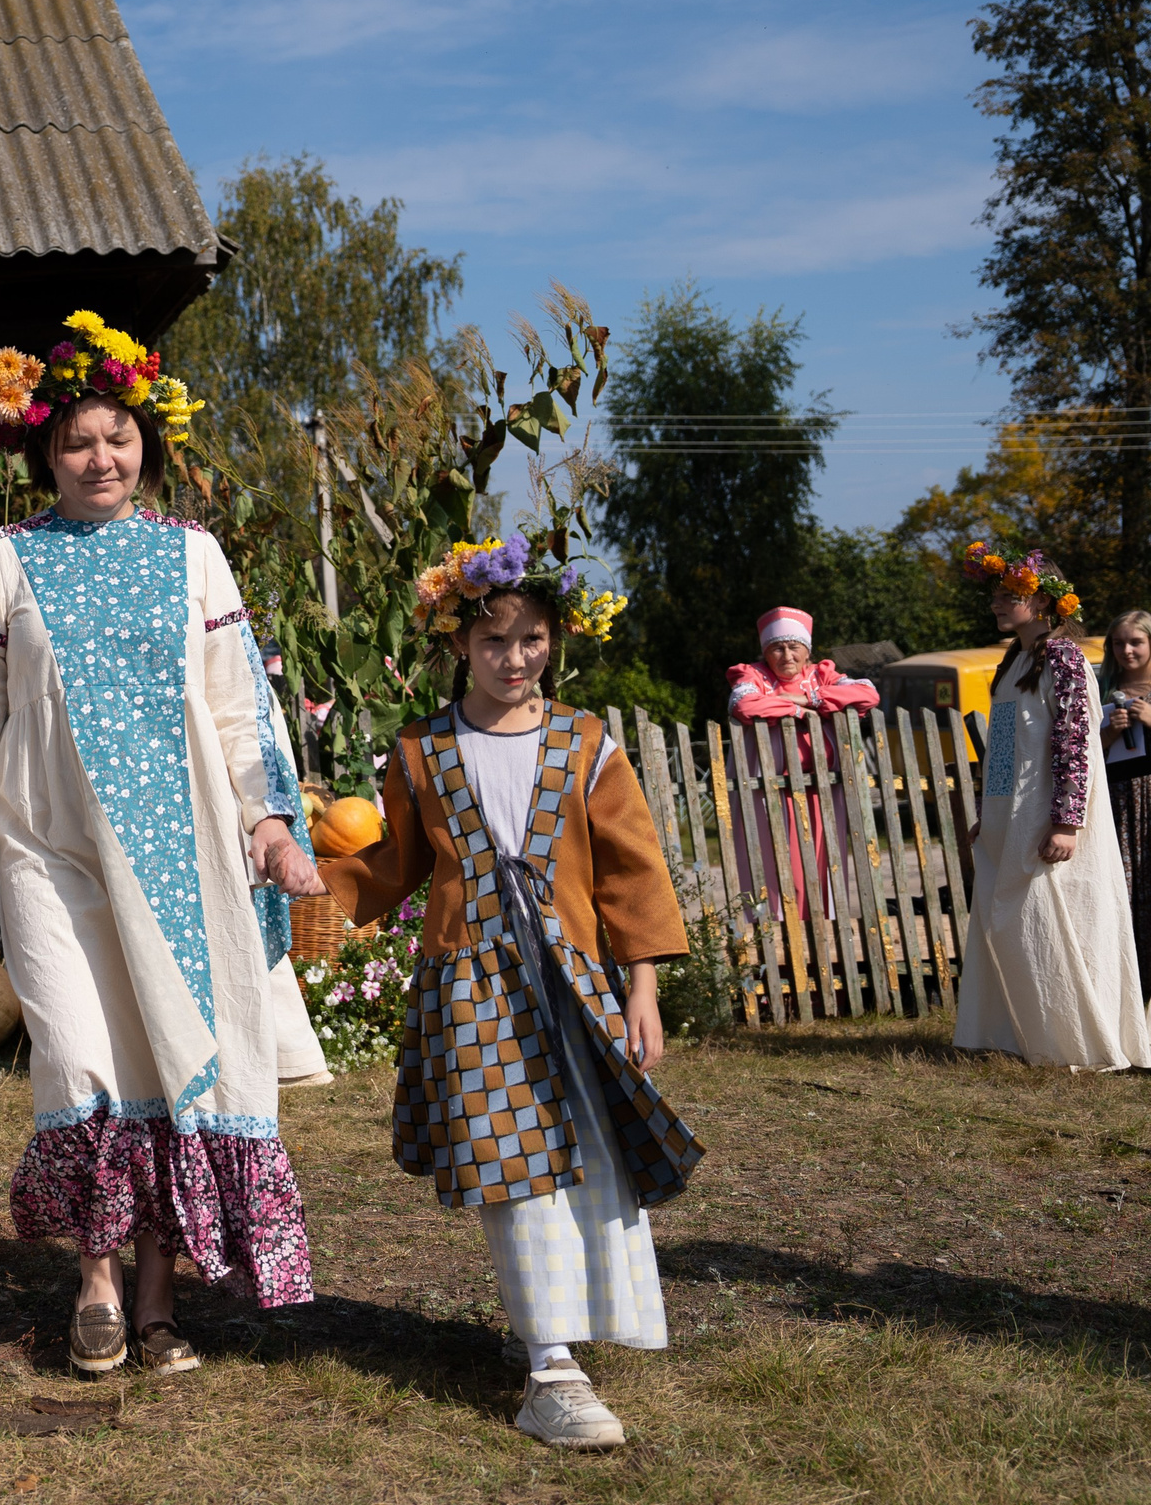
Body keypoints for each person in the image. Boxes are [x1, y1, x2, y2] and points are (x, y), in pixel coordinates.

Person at [0, 314, 319, 1379]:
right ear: (45, 453)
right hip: (49, 852)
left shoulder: (193, 555)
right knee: (78, 1058)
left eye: (118, 436)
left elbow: (239, 703)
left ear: (144, 445)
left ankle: (154, 1302)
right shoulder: (3, 560)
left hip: (182, 856)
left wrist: (268, 822)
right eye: (77, 440)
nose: (100, 457)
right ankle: (96, 1279)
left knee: (169, 1058)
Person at [320, 534, 702, 1453]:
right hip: (471, 988)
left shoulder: (586, 743)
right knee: (510, 1161)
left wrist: (643, 988)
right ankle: (549, 1370)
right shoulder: (421, 749)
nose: (514, 657)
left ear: (554, 639)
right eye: (493, 640)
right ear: (459, 644)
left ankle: (561, 1327)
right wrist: (306, 881)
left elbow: (631, 870)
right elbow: (393, 864)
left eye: (531, 638)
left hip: (574, 984)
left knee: (591, 1155)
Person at [952, 546, 1149, 1069]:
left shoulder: (1063, 658)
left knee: (1050, 917)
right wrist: (989, 811)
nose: (995, 603)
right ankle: (1017, 1035)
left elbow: (1074, 742)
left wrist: (1066, 820)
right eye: (995, 594)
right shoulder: (1014, 659)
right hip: (1009, 814)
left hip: (1045, 814)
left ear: (1041, 600)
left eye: (1007, 594)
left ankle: (1070, 1041)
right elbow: (1003, 745)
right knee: (1010, 923)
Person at [724, 607, 879, 922]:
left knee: (823, 861)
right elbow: (743, 704)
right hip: (769, 791)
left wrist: (809, 700)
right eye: (777, 648)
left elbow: (868, 694)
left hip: (822, 788)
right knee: (776, 861)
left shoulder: (822, 675)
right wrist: (796, 712)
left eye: (794, 647)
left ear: (807, 651)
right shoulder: (753, 675)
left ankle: (820, 927)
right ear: (765, 653)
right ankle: (778, 928)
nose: (786, 655)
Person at [1102, 609, 1151, 998]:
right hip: (1117, 800)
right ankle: (1131, 986)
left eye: (1136, 642)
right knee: (1124, 888)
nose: (1127, 650)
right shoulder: (1102, 689)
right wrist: (1108, 733)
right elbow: (1081, 754)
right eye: (1119, 643)